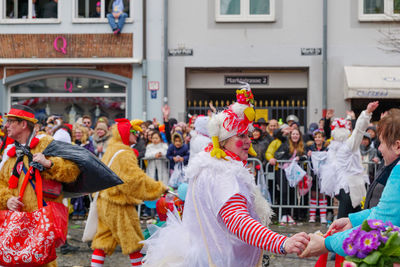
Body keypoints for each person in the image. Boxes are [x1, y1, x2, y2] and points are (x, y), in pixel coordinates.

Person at [142, 85, 310, 266]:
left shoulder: (209, 165)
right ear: (222, 141)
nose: (248, 141)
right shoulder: (223, 173)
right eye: (241, 136)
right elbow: (238, 221)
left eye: (248, 135)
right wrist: (281, 242)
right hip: (222, 261)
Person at [300, 107, 400, 258]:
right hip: (348, 190)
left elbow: (379, 224)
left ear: (397, 146)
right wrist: (353, 221)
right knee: (343, 216)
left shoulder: (397, 171)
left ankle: (337, 253)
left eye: (381, 143)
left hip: (350, 191)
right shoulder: (341, 148)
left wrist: (327, 243)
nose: (379, 148)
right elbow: (382, 213)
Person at [0, 104, 81, 267]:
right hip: (16, 227)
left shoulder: (47, 144)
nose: (5, 126)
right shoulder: (10, 152)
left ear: (23, 124)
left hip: (41, 226)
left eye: (10, 122)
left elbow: (72, 171)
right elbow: (1, 184)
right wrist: (7, 200)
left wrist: (50, 164)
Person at [91, 118, 167, 267]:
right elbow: (134, 181)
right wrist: (158, 188)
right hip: (118, 203)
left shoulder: (113, 148)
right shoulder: (124, 154)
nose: (136, 135)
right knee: (133, 241)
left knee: (103, 239)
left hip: (105, 200)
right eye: (133, 132)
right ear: (125, 133)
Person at [319, 102, 379, 219]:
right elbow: (357, 132)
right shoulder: (334, 146)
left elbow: (358, 131)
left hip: (352, 186)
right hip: (344, 187)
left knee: (354, 217)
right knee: (351, 218)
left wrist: (366, 114)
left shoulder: (349, 145)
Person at [274, 128, 307, 224]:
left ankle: (289, 215)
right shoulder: (285, 143)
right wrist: (283, 131)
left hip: (293, 172)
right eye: (293, 134)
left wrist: (299, 158)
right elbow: (278, 136)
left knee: (291, 193)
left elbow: (305, 156)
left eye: (297, 134)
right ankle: (284, 214)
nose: (295, 136)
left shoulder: (301, 146)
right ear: (290, 135)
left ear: (300, 136)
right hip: (283, 171)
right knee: (284, 192)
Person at [306, 129, 328, 223]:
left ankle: (323, 216)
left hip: (324, 175)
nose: (317, 139)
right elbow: (307, 160)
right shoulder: (310, 148)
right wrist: (309, 155)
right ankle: (312, 216)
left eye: (319, 137)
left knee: (322, 194)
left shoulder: (327, 149)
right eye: (316, 137)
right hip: (314, 175)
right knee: (314, 194)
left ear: (323, 139)